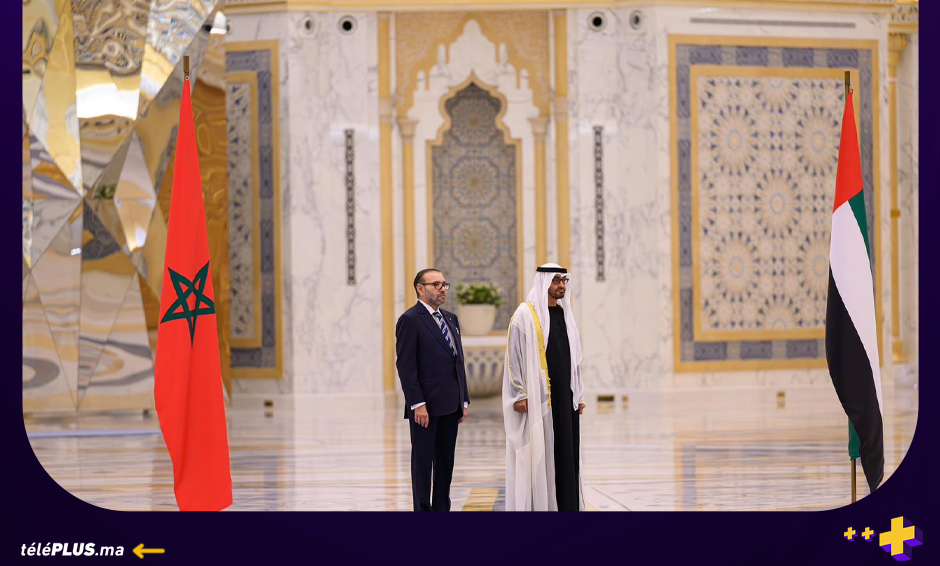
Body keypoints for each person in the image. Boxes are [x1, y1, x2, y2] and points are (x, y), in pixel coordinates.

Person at [503, 263, 585, 511]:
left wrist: (578, 393)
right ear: (544, 282)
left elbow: (574, 359)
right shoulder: (526, 314)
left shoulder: (565, 314)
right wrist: (519, 393)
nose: (561, 285)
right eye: (555, 280)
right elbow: (514, 356)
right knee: (541, 453)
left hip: (565, 398)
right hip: (540, 399)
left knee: (566, 451)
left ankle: (567, 507)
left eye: (564, 281)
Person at [396, 268, 470, 511]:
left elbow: (458, 361)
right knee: (423, 463)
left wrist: (463, 400)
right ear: (420, 288)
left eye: (444, 284)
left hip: (450, 404)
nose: (442, 289)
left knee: (446, 463)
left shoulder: (451, 318)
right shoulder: (410, 319)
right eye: (436, 284)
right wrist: (417, 404)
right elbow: (406, 366)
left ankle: (441, 511)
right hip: (425, 408)